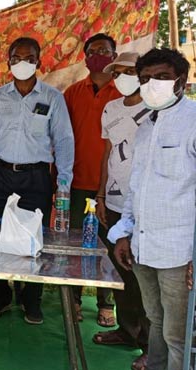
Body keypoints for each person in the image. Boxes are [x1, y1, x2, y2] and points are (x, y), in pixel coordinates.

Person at [0, 38, 74, 325]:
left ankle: (31, 300)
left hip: (36, 177)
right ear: (8, 63)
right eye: (15, 58)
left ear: (39, 62)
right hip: (0, 174)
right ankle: (0, 296)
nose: (22, 63)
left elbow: (64, 141)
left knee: (34, 239)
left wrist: (63, 183)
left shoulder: (52, 98)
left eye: (28, 58)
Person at [108, 48, 196, 370]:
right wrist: (123, 233)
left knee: (178, 335)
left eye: (161, 77)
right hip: (143, 247)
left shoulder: (193, 122)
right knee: (155, 322)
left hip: (179, 252)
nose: (151, 84)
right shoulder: (145, 128)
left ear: (181, 82)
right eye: (145, 79)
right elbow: (136, 188)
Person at [93, 52, 150, 370]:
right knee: (123, 272)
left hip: (144, 205)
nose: (123, 77)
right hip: (114, 203)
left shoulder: (155, 108)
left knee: (145, 276)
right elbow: (107, 154)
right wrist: (100, 194)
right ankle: (127, 332)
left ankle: (149, 345)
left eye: (130, 71)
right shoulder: (110, 108)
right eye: (119, 72)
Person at [64, 33, 122, 325]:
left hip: (113, 187)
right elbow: (61, 138)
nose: (99, 55)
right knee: (75, 244)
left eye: (105, 50)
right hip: (77, 182)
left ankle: (105, 302)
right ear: (85, 58)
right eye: (93, 51)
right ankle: (73, 300)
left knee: (109, 247)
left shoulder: (124, 91)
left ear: (114, 55)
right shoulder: (72, 93)